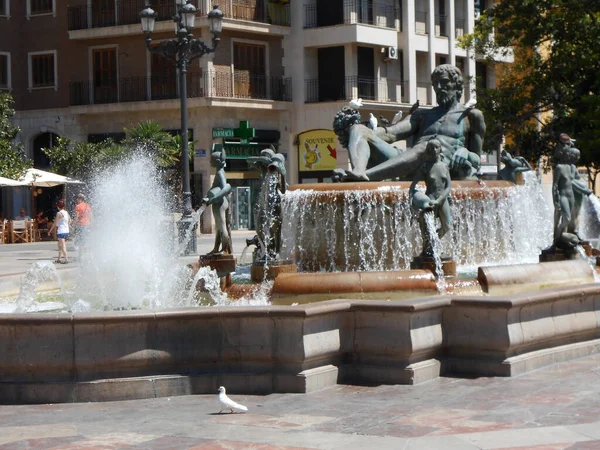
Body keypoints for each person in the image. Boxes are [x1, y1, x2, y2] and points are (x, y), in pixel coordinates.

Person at [335, 64, 486, 182]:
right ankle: (358, 172)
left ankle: (366, 176)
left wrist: (466, 153)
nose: (439, 88)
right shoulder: (423, 115)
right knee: (358, 129)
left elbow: (477, 161)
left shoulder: (471, 116)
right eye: (435, 84)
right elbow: (391, 133)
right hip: (407, 163)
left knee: (425, 148)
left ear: (457, 85)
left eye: (444, 83)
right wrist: (359, 135)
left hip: (438, 166)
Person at [409, 139, 452, 257]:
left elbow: (448, 187)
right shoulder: (425, 167)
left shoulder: (444, 166)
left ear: (440, 149)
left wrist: (441, 199)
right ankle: (429, 248)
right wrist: (413, 200)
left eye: (436, 147)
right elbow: (413, 186)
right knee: (427, 228)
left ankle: (432, 244)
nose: (434, 150)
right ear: (428, 150)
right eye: (431, 148)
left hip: (442, 200)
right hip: (430, 201)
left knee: (447, 226)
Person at [203, 150, 232, 255]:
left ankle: (224, 250)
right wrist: (207, 197)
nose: (210, 161)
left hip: (219, 203)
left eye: (212, 160)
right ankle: (216, 249)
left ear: (217, 161)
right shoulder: (219, 172)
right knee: (218, 228)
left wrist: (213, 199)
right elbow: (215, 187)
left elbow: (225, 188)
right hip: (218, 203)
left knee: (222, 226)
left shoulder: (220, 172)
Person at [47, 200, 71, 264]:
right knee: (59, 245)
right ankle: (59, 258)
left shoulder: (59, 213)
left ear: (58, 206)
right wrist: (68, 226)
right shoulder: (66, 212)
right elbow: (69, 220)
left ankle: (66, 259)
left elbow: (55, 223)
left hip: (61, 231)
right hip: (66, 231)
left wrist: (50, 231)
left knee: (62, 245)